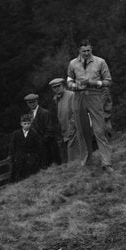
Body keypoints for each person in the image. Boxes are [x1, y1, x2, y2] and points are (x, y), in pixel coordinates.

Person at [66, 39, 113, 170]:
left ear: (91, 49)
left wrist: (94, 83)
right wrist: (74, 85)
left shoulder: (100, 62)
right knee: (82, 130)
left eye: (89, 50)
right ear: (79, 51)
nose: (86, 53)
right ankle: (86, 163)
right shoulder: (73, 64)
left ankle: (106, 162)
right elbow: (69, 80)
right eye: (84, 51)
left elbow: (108, 81)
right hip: (79, 96)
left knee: (99, 130)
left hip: (95, 95)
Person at [50, 77, 82, 164]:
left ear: (63, 85)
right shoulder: (56, 99)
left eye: (58, 86)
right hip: (64, 132)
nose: (57, 88)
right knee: (69, 156)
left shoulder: (71, 95)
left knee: (74, 155)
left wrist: (71, 128)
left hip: (74, 130)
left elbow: (75, 113)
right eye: (54, 87)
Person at [23, 93, 55, 169]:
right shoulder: (29, 115)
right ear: (27, 104)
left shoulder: (44, 113)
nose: (32, 104)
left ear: (37, 101)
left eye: (33, 102)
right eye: (29, 103)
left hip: (47, 145)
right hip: (37, 147)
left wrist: (42, 141)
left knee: (49, 167)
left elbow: (50, 130)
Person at [8, 115, 41, 182]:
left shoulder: (34, 134)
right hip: (19, 158)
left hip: (30, 158)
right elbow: (12, 146)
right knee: (17, 175)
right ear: (21, 124)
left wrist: (35, 157)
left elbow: (38, 147)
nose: (27, 125)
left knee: (29, 176)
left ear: (31, 123)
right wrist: (12, 156)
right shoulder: (16, 134)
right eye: (25, 124)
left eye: (28, 123)